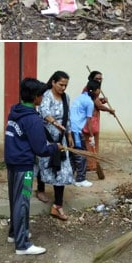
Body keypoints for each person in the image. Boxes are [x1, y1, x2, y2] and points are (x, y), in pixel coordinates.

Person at [5, 78, 62, 255]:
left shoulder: (15, 111)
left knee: (15, 200)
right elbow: (41, 149)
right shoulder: (33, 119)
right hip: (25, 167)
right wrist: (55, 147)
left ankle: (15, 233)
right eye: (42, 96)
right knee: (23, 202)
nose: (43, 99)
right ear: (36, 97)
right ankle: (23, 245)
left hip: (12, 163)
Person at [36, 70, 74, 220]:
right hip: (47, 135)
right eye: (60, 84)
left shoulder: (66, 98)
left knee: (62, 170)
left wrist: (69, 134)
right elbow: (44, 112)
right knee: (43, 164)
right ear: (53, 82)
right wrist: (54, 123)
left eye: (65, 85)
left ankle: (58, 206)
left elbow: (68, 116)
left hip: (61, 137)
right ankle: (40, 189)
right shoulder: (46, 96)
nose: (63, 88)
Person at [69, 80, 101, 188]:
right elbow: (89, 121)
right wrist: (91, 136)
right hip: (76, 130)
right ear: (96, 91)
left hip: (70, 129)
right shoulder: (89, 102)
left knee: (73, 155)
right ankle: (80, 179)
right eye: (99, 89)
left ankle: (70, 177)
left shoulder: (80, 97)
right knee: (81, 155)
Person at [82, 71, 114, 173]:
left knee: (94, 142)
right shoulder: (88, 89)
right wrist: (110, 110)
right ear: (91, 79)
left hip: (95, 118)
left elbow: (97, 102)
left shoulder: (96, 89)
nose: (99, 81)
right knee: (89, 143)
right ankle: (90, 165)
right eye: (97, 79)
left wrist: (102, 100)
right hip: (89, 120)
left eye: (101, 79)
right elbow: (98, 105)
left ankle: (94, 164)